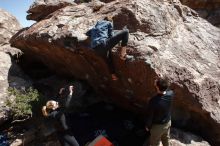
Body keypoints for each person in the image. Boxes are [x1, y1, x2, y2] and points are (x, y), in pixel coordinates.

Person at [86, 16, 134, 80]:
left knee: (108, 57)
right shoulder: (108, 23)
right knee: (126, 32)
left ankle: (113, 74)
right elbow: (111, 35)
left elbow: (87, 33)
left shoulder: (94, 27)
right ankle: (123, 54)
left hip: (96, 49)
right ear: (111, 21)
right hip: (103, 44)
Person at [143, 78, 174, 146]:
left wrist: (147, 126)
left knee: (155, 143)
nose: (155, 81)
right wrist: (162, 81)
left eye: (156, 82)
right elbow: (166, 88)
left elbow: (150, 116)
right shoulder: (171, 94)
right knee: (166, 138)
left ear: (157, 87)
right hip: (168, 122)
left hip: (158, 127)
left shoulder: (153, 101)